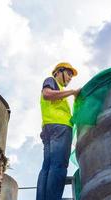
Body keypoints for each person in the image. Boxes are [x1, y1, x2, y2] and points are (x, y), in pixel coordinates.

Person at [36, 62, 80, 200]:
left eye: (71, 76)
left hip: (49, 128)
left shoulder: (59, 88)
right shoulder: (51, 81)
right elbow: (47, 94)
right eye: (68, 74)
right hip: (59, 128)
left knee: (48, 167)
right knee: (59, 165)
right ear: (58, 72)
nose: (70, 78)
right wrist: (73, 92)